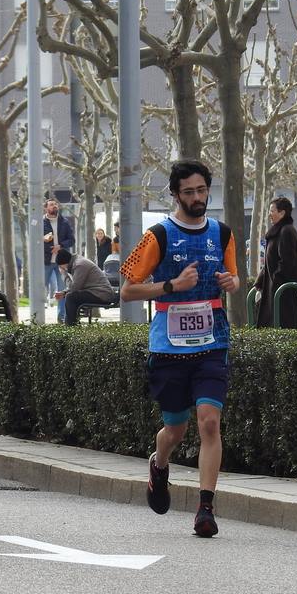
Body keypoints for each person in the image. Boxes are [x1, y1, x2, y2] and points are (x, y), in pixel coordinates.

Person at [119, 159, 240, 538]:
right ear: (175, 194)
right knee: (175, 428)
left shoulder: (222, 234)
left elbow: (234, 276)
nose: (197, 198)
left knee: (209, 421)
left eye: (202, 190)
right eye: (189, 192)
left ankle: (206, 508)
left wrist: (230, 281)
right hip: (169, 347)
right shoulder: (158, 235)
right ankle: (160, 463)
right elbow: (127, 289)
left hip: (213, 341)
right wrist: (171, 286)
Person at [254, 197, 297, 328]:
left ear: (282, 213)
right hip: (276, 290)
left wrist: (275, 282)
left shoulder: (286, 231)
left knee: (285, 325)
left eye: (272, 211)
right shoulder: (277, 232)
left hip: (285, 292)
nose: (269, 214)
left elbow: (286, 262)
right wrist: (259, 283)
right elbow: (269, 262)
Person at [54, 248, 115, 325]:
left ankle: (70, 327)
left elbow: (74, 288)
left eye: (61, 267)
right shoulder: (77, 262)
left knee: (71, 297)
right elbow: (78, 285)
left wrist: (64, 275)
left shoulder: (79, 265)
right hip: (96, 292)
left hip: (102, 294)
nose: (62, 269)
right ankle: (72, 324)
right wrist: (64, 293)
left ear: (64, 264)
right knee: (71, 296)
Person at [42, 198, 74, 320]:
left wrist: (60, 246)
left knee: (63, 290)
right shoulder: (41, 222)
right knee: (41, 288)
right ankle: (39, 316)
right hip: (46, 261)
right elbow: (36, 240)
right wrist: (43, 239)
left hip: (62, 262)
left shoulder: (64, 222)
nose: (54, 206)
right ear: (46, 208)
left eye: (55, 204)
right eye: (51, 205)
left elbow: (71, 240)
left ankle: (61, 317)